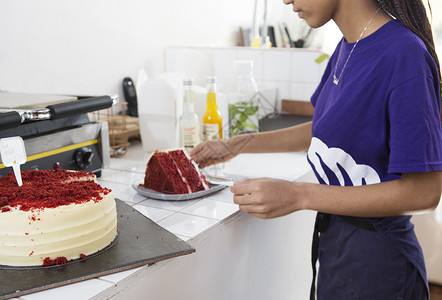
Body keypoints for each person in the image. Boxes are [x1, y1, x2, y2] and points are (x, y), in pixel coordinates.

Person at [190, 0, 442, 299]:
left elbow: (424, 193)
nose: (286, 0)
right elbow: (324, 129)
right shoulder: (346, 47)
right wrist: (236, 144)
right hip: (337, 250)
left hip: (380, 266)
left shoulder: (404, 54)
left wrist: (298, 195)